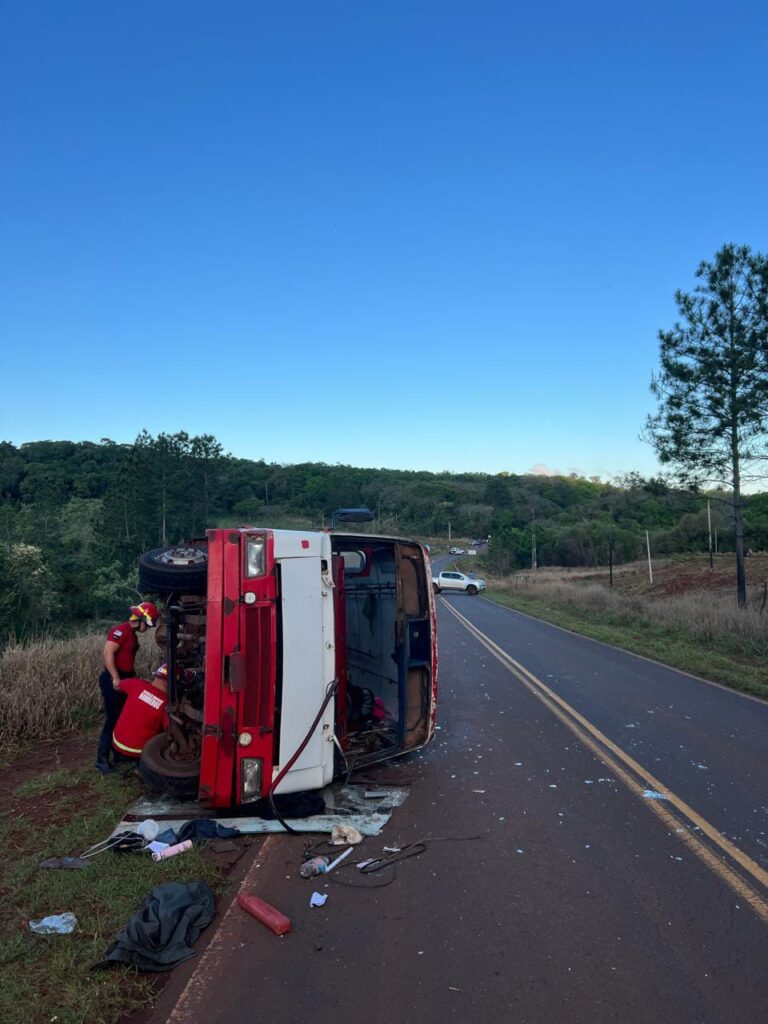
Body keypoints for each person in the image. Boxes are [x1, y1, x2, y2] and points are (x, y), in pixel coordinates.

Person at [95, 601, 159, 773]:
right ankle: (101, 761)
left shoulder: (132, 634)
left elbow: (127, 661)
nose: (149, 629)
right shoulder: (121, 631)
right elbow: (108, 652)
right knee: (113, 719)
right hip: (113, 679)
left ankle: (119, 755)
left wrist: (134, 679)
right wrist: (115, 677)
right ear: (141, 620)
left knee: (124, 716)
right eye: (149, 625)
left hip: (125, 678)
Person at [112, 664, 169, 762]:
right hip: (137, 753)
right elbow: (170, 730)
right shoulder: (166, 704)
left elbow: (119, 685)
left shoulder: (136, 684)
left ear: (156, 676)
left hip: (116, 743)